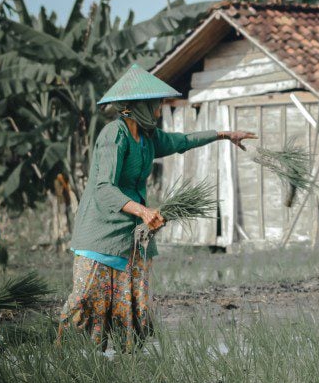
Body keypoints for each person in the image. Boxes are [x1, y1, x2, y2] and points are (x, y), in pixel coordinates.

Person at [57, 64, 256, 350]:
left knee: (134, 302)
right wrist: (144, 211)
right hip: (100, 233)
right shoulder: (115, 134)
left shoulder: (148, 137)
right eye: (156, 105)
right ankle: (63, 357)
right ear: (139, 107)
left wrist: (224, 135)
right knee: (85, 301)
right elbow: (103, 188)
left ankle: (128, 361)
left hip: (132, 235)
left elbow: (183, 141)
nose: (159, 111)